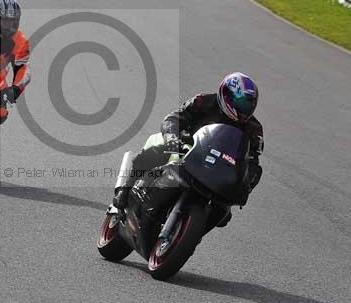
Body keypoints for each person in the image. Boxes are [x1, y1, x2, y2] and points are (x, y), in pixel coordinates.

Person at [112, 73, 264, 222]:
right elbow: (174, 118)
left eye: (248, 104)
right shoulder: (203, 101)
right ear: (226, 96)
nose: (244, 108)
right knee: (156, 149)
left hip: (218, 169)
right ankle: (124, 190)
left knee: (223, 214)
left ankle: (188, 235)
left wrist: (246, 184)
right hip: (186, 149)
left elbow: (252, 162)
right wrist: (172, 136)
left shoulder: (254, 128)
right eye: (241, 103)